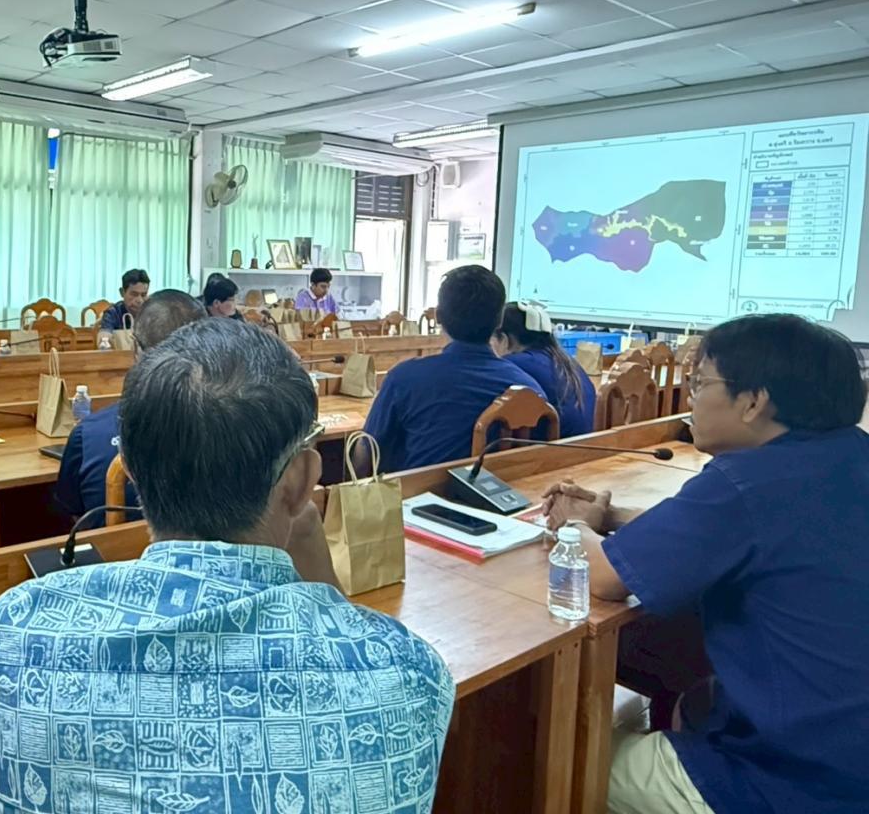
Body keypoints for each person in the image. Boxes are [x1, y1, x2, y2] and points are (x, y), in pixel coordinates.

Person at [0, 320, 454, 814]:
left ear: (130, 470)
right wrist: (319, 570)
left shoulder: (11, 634)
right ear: (302, 481)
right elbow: (350, 647)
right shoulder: (407, 672)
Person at [542, 314, 869, 814]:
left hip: (789, 783)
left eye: (699, 383)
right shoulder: (847, 456)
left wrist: (574, 525)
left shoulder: (748, 481)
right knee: (685, 693)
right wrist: (611, 515)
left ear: (753, 401)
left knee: (553, 757)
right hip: (844, 752)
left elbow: (605, 577)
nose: (690, 397)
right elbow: (725, 532)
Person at [362, 266, 543, 472]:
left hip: (421, 491)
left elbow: (368, 451)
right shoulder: (530, 390)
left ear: (438, 316)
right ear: (499, 320)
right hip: (507, 490)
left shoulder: (404, 379)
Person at [55, 289, 207, 528]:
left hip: (109, 549)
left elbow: (71, 513)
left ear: (135, 348)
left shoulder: (89, 433)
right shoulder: (234, 426)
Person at [494, 301, 597, 437]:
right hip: (584, 445)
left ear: (504, 339)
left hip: (551, 448)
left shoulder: (515, 363)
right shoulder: (565, 360)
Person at [98, 268, 149, 335]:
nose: (139, 300)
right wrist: (104, 339)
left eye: (143, 295)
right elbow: (104, 334)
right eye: (134, 294)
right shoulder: (113, 313)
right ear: (122, 292)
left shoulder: (151, 312)